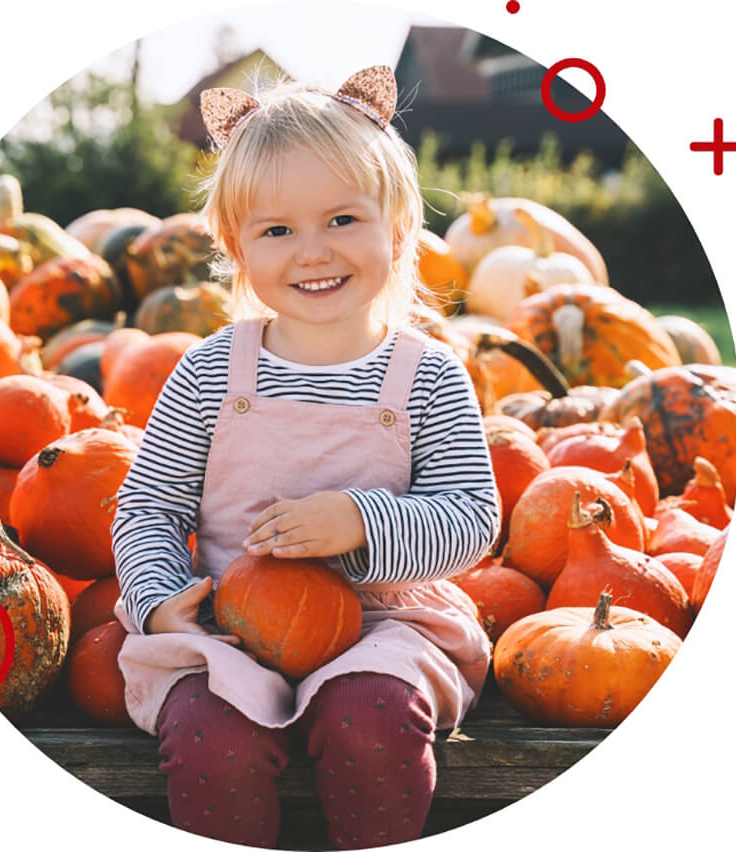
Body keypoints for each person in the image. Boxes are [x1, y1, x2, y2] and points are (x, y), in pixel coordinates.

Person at [110, 65, 499, 850]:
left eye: (343, 219)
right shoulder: (211, 373)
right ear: (235, 246)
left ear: (396, 229)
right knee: (207, 737)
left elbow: (472, 521)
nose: (312, 251)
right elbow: (149, 507)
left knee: (374, 722)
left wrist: (360, 518)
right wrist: (158, 598)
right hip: (233, 623)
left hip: (390, 624)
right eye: (277, 230)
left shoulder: (427, 375)